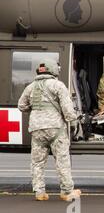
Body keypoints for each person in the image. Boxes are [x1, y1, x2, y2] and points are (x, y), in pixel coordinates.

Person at [18, 59, 81, 201]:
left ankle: (39, 192)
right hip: (55, 128)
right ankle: (66, 192)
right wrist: (73, 123)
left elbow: (21, 106)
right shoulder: (58, 85)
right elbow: (67, 109)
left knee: (37, 162)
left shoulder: (30, 87)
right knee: (62, 160)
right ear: (53, 69)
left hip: (36, 129)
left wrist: (36, 112)